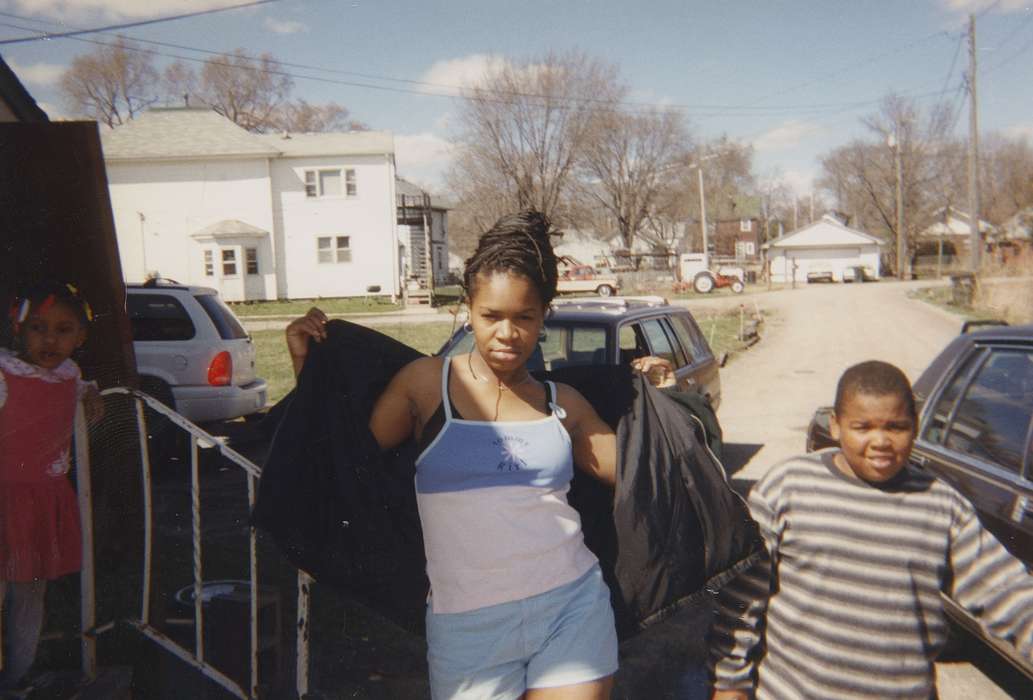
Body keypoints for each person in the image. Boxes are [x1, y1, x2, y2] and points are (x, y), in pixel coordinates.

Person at [287, 211, 629, 699]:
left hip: (571, 605)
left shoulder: (563, 404)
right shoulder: (427, 386)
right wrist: (307, 364)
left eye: (524, 317)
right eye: (491, 316)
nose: (507, 333)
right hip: (468, 627)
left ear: (544, 315)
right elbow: (342, 458)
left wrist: (664, 403)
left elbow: (636, 472)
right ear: (467, 308)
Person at [708, 360, 1033, 699]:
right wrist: (730, 683)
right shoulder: (788, 487)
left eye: (896, 427)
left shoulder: (941, 506)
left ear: (916, 426)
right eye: (862, 427)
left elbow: (1007, 592)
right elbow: (742, 595)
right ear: (835, 426)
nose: (880, 441)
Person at [0, 282, 101, 691]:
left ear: (80, 337)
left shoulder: (69, 373)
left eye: (63, 329)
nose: (50, 339)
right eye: (39, 328)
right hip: (4, 495)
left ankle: (17, 675)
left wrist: (91, 394)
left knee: (31, 590)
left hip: (41, 500)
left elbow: (76, 391)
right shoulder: (5, 374)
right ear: (19, 330)